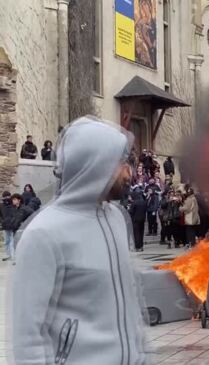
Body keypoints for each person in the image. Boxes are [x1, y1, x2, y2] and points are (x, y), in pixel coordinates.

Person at [10, 117, 147, 364]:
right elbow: (27, 336)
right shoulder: (44, 234)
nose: (129, 173)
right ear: (95, 164)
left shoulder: (116, 218)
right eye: (121, 164)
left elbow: (129, 302)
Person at [1, 191, 15, 262]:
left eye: (8, 196)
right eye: (5, 196)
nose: (7, 198)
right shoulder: (1, 205)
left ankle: (13, 256)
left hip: (13, 225)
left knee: (12, 241)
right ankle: (8, 255)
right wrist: (2, 221)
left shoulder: (13, 204)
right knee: (7, 241)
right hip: (5, 225)